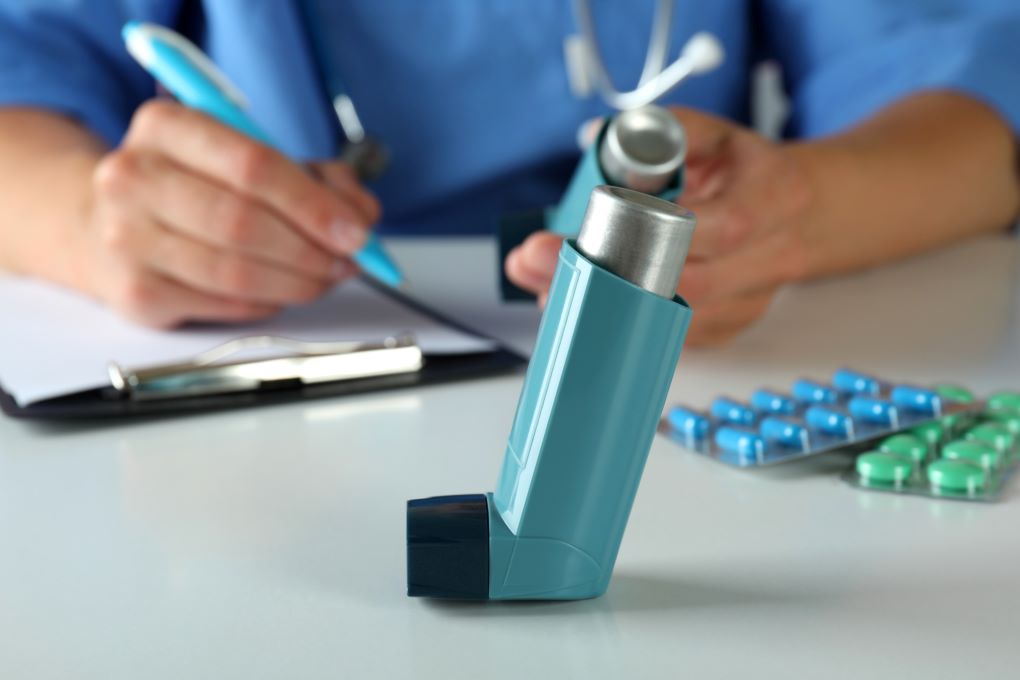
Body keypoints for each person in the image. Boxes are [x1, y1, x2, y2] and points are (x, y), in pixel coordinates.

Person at [0, 2, 1017, 347]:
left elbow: (966, 88)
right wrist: (90, 221)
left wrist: (796, 210)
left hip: (696, 352)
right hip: (306, 334)